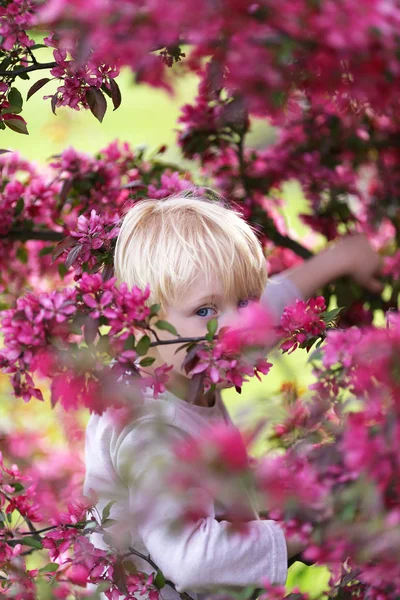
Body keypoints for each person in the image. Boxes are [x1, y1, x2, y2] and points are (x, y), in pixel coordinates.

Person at [84, 191, 383, 599]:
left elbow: (270, 303)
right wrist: (306, 531)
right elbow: (193, 560)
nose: (237, 328)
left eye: (244, 302)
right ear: (141, 323)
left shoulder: (189, 356)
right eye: (206, 310)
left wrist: (340, 257)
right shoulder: (148, 429)